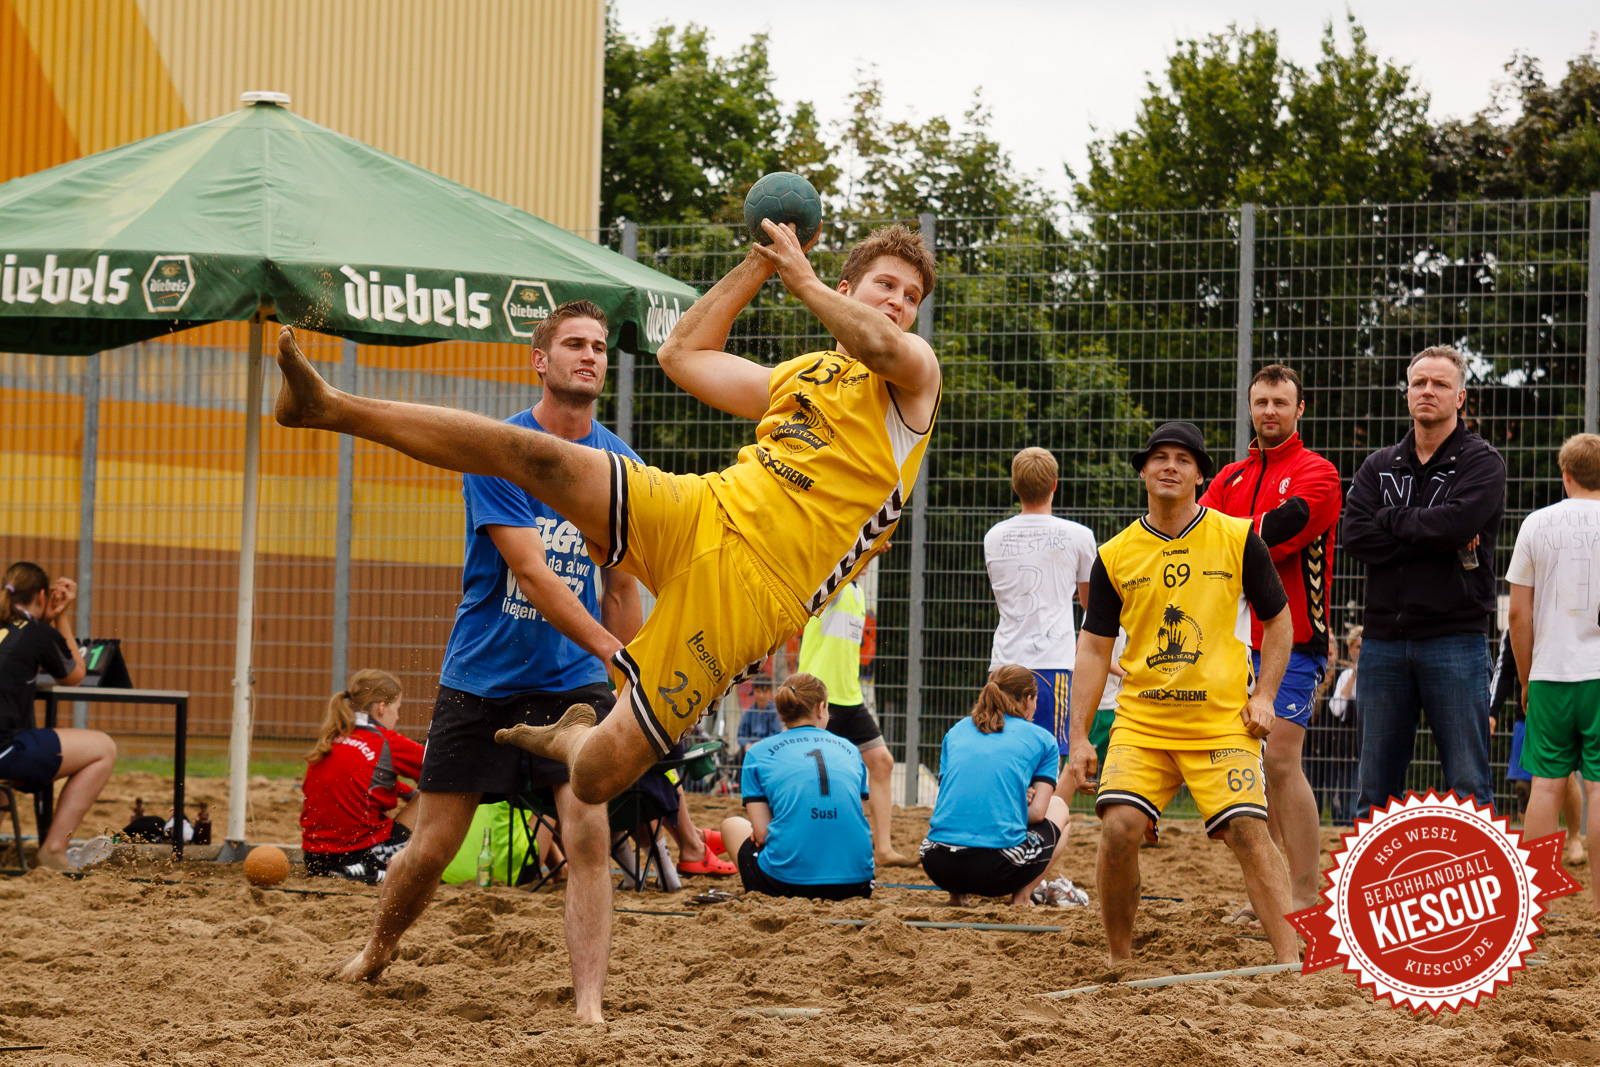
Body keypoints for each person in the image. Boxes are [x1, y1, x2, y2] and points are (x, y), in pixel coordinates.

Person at [273, 221, 940, 811]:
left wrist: (803, 281)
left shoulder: (914, 380)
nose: (899, 303)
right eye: (886, 285)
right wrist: (759, 263)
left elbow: (882, 347)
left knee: (597, 776)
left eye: (911, 297)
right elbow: (681, 355)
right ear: (849, 287)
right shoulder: (804, 373)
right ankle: (329, 406)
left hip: (753, 596)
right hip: (702, 507)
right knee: (532, 454)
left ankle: (571, 738)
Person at [326, 301, 643, 1024]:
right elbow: (531, 572)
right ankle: (377, 947)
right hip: (483, 677)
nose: (590, 355)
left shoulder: (621, 466)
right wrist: (611, 646)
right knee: (433, 846)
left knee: (588, 831)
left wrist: (628, 680)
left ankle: (589, 1005)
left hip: (572, 683)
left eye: (599, 346)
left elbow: (623, 586)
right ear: (540, 360)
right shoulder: (501, 447)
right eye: (574, 344)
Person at [1064, 422, 1300, 964]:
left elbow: (1279, 622)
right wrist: (1078, 737)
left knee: (1248, 830)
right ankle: (1120, 963)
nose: (1170, 466)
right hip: (1143, 724)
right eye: (1160, 458)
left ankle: (1290, 963)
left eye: (1183, 459)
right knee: (1119, 828)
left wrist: (1265, 695)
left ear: (1199, 475)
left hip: (1221, 722)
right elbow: (1094, 649)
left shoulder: (1238, 538)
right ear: (1143, 471)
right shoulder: (1115, 554)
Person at [1198, 364, 1342, 913]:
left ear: (1299, 409)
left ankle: (1305, 895)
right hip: (1230, 643)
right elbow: (1197, 536)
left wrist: (1225, 532)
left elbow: (1280, 534)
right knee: (1251, 771)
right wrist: (1236, 529)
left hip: (1296, 640)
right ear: (1250, 408)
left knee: (1281, 760)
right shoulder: (1229, 476)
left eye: (1281, 402)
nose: (1270, 412)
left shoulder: (1319, 473)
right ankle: (1275, 890)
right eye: (1261, 402)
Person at [1342, 345, 1505, 815]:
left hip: (1455, 639)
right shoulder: (1378, 465)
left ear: (1460, 397)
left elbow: (1455, 526)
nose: (1427, 391)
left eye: (1440, 384)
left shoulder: (1482, 462)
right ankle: (1373, 868)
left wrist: (1390, 518)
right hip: (1382, 643)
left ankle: (1479, 868)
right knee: (1374, 793)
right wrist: (1432, 534)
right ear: (1408, 392)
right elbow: (1354, 536)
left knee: (1469, 787)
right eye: (1419, 383)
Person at [1506, 433, 1600, 908]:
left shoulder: (1536, 523)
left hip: (1550, 671)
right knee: (1598, 788)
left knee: (1545, 785)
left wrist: (1526, 678)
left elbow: (1517, 614)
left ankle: (1535, 905)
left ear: (1566, 475)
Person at [919, 665, 1072, 907]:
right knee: (1059, 807)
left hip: (937, 863)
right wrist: (1014, 803)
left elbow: (956, 798)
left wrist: (1007, 799)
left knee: (962, 821)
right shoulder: (1043, 739)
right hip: (997, 869)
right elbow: (1036, 813)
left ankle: (957, 896)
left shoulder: (956, 731)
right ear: (1028, 699)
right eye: (1035, 700)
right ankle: (1022, 898)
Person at [0, 562, 117, 871]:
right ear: (42, 595)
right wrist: (61, 617)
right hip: (5, 751)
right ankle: (53, 849)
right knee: (103, 748)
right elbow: (75, 675)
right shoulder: (37, 632)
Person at [983, 447, 1096, 758]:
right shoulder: (1080, 536)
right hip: (1052, 663)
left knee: (1001, 751)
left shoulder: (994, 536)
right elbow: (1089, 602)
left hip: (1004, 662)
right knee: (1048, 754)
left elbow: (1006, 589)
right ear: (1055, 484)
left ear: (1015, 485)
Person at [720, 673, 874, 901]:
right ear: (821, 708)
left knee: (731, 825)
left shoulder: (757, 753)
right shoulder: (850, 749)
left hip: (787, 886)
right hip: (856, 884)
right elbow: (855, 815)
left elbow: (761, 835)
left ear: (781, 711)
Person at [799, 577, 915, 866]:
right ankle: (806, 845)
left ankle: (884, 849)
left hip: (850, 697)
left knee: (882, 762)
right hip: (818, 696)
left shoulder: (859, 593)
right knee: (813, 774)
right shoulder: (833, 585)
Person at [299, 669, 423, 882]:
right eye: (397, 708)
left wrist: (406, 793)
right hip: (357, 858)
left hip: (314, 859)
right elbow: (443, 769)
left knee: (378, 808)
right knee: (434, 790)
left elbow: (361, 782)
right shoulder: (387, 742)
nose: (398, 716)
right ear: (382, 708)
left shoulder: (333, 738)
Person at [1489, 627, 1585, 863]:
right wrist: (1491, 712)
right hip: (1526, 713)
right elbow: (1504, 672)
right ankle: (1536, 852)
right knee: (1524, 787)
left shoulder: (1561, 620)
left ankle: (1574, 838)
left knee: (1565, 778)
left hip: (1558, 708)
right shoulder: (1514, 628)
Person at [736, 678, 781, 757]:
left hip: (768, 749)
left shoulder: (774, 712)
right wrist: (746, 744)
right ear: (753, 691)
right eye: (758, 691)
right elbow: (741, 735)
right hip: (750, 749)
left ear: (770, 692)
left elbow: (775, 735)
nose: (761, 695)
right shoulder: (748, 713)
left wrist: (760, 744)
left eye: (765, 692)